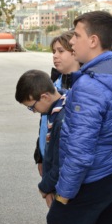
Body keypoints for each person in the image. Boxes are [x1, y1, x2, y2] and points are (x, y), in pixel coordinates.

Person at [47, 11, 112, 224]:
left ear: (93, 41)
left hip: (91, 180)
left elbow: (79, 150)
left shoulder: (89, 86)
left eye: (76, 36)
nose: (71, 41)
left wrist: (63, 195)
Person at [15, 69, 67, 209]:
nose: (34, 111)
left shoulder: (62, 120)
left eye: (32, 107)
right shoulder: (56, 106)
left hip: (65, 190)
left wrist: (45, 188)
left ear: (44, 97)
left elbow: (61, 163)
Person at [34, 31, 79, 177]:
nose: (55, 55)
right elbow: (44, 121)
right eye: (53, 51)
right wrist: (40, 156)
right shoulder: (54, 82)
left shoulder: (84, 86)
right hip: (49, 158)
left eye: (61, 51)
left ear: (75, 52)